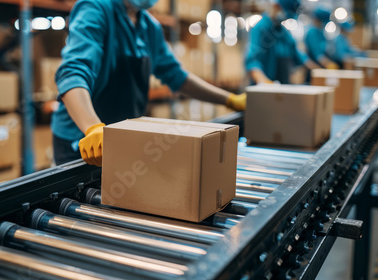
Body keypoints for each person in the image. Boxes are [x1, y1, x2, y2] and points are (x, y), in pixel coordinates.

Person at [52, 0, 246, 167]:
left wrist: (229, 99)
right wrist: (92, 128)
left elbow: (176, 76)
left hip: (124, 134)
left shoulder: (149, 26)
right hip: (84, 141)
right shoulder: (95, 8)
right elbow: (73, 72)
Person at [245, 0, 320, 84]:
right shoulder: (260, 29)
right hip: (264, 88)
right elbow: (253, 61)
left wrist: (317, 70)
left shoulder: (282, 31)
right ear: (276, 6)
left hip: (281, 86)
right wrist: (264, 81)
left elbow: (297, 53)